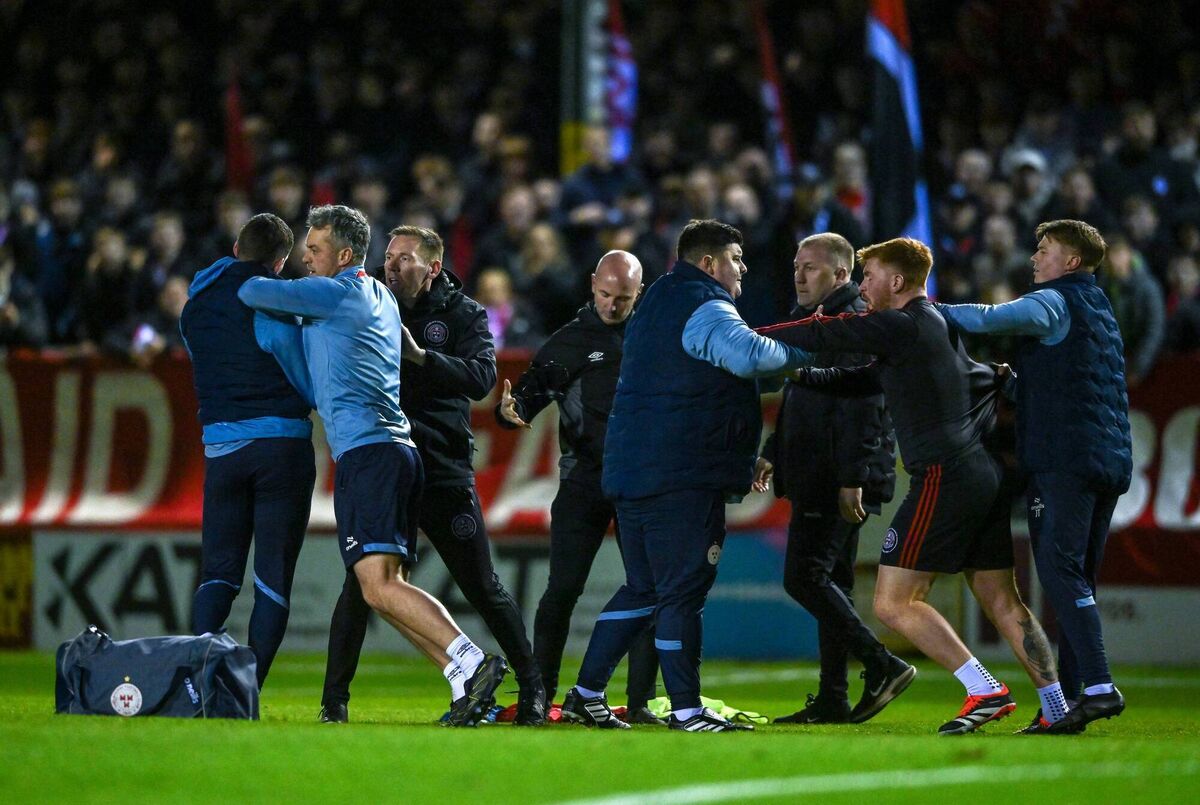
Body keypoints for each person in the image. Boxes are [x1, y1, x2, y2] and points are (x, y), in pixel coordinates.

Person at [758, 237, 1063, 736]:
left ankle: (983, 688)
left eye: (869, 275)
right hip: (982, 473)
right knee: (1003, 599)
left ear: (897, 281)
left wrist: (745, 334)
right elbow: (863, 381)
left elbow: (825, 331)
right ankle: (1056, 704)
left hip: (945, 473)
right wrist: (800, 376)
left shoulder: (900, 322)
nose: (862, 285)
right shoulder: (932, 326)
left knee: (892, 602)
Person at [238, 205, 507, 726]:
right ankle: (464, 683)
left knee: (378, 585)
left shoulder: (335, 293)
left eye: (313, 249)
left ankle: (471, 661)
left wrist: (250, 270)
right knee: (383, 587)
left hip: (370, 454)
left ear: (343, 255)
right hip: (393, 451)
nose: (304, 258)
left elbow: (253, 290)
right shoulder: (377, 295)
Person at [560, 219, 812, 733]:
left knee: (643, 588)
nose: (742, 269)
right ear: (710, 263)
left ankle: (586, 694)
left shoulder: (654, 302)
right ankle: (687, 710)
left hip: (634, 466)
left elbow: (697, 371)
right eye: (736, 259)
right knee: (681, 591)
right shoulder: (706, 304)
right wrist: (809, 354)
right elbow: (746, 356)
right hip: (681, 471)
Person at [320, 225, 545, 726]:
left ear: (433, 268)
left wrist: (421, 357)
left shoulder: (463, 315)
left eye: (404, 259)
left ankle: (532, 688)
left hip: (441, 468)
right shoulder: (374, 304)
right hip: (389, 465)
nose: (391, 266)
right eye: (389, 257)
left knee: (481, 585)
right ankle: (334, 702)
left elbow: (482, 379)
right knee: (360, 587)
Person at [936, 220, 1133, 733]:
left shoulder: (1053, 302)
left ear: (1071, 262)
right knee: (1076, 578)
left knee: (1060, 571)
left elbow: (987, 318)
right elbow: (1073, 386)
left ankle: (1098, 686)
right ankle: (1067, 704)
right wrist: (1015, 385)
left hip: (1066, 460)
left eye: (1044, 250)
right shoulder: (1100, 308)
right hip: (1106, 458)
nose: (1033, 259)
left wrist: (927, 310)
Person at [495, 249, 664, 725]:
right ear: (592, 284)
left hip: (639, 482)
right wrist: (512, 415)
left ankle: (639, 702)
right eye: (606, 294)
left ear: (640, 293)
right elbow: (524, 403)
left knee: (647, 590)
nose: (612, 305)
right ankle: (539, 693)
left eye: (623, 298)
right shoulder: (567, 343)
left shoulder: (654, 336)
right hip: (584, 481)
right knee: (563, 589)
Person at [756, 233, 907, 725]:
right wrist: (771, 451)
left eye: (812, 268)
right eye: (797, 266)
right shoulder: (817, 321)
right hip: (816, 467)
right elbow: (801, 400)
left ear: (841, 274)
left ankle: (882, 664)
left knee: (805, 577)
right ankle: (833, 696)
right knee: (832, 582)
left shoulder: (854, 324)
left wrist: (852, 477)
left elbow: (866, 407)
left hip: (832, 474)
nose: (798, 275)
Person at [180, 212, 315, 687]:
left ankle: (197, 682)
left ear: (236, 248)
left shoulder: (193, 306)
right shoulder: (271, 301)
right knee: (271, 576)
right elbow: (302, 374)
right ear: (279, 263)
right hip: (280, 449)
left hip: (221, 451)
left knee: (218, 570)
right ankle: (247, 688)